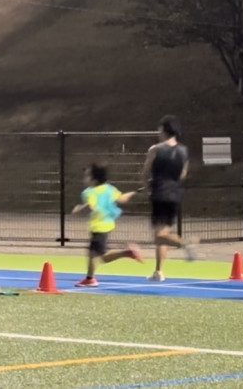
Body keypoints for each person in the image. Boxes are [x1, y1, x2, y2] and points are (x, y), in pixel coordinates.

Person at [142, 115, 197, 282]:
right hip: (175, 194)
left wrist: (148, 187)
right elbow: (182, 174)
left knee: (158, 236)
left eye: (159, 129)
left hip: (160, 193)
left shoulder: (155, 149)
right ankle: (158, 271)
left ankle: (184, 243)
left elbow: (145, 172)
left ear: (164, 130)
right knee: (163, 233)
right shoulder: (184, 151)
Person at [72, 163, 143, 287]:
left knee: (96, 254)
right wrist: (134, 192)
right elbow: (121, 199)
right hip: (108, 224)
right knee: (99, 256)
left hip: (98, 226)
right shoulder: (109, 188)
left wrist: (78, 209)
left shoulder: (88, 192)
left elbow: (91, 206)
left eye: (87, 176)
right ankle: (126, 253)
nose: (84, 179)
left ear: (94, 179)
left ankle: (90, 279)